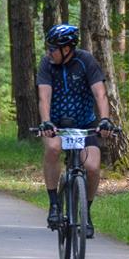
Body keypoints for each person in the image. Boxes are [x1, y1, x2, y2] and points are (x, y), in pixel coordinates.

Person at [35, 23, 115, 239]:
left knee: (92, 167)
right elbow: (44, 97)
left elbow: (100, 94)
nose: (49, 52)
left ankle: (86, 213)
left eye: (53, 49)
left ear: (67, 49)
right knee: (53, 149)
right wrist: (46, 122)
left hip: (84, 125)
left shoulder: (85, 61)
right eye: (48, 48)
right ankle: (54, 204)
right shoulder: (47, 64)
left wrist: (105, 120)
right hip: (56, 125)